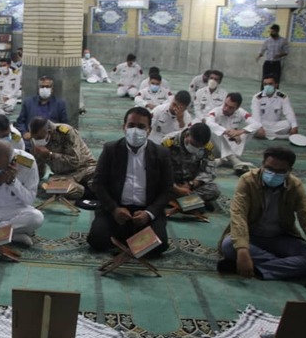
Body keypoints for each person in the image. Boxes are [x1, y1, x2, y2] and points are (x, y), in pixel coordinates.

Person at [218, 147, 306, 288]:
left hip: (280, 237)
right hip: (251, 235)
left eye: (280, 171)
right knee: (229, 245)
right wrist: (243, 250)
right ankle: (281, 265)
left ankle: (256, 268)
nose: (273, 174)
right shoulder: (248, 181)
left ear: (289, 170)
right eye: (269, 169)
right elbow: (238, 215)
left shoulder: (294, 186)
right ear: (262, 164)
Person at [87, 107, 174, 253]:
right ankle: (132, 237)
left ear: (149, 130)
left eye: (141, 127)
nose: (135, 130)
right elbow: (98, 184)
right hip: (116, 209)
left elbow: (167, 190)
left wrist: (149, 213)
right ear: (124, 127)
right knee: (96, 239)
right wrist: (114, 209)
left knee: (159, 245)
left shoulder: (161, 154)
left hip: (146, 210)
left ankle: (125, 237)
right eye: (131, 125)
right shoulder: (111, 149)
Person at [29, 116, 97, 201]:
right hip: (63, 175)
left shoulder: (66, 132)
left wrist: (50, 155)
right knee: (45, 188)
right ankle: (85, 192)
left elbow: (74, 161)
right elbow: (39, 167)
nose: (36, 141)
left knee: (100, 180)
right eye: (34, 138)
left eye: (39, 138)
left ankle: (88, 190)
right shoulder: (35, 141)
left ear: (49, 132)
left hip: (85, 168)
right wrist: (34, 181)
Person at [162, 123, 220, 209]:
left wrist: (191, 184)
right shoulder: (168, 142)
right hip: (169, 183)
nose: (196, 148)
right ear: (187, 135)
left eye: (199, 147)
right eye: (194, 145)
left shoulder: (207, 147)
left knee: (214, 190)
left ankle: (175, 202)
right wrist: (176, 188)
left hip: (189, 184)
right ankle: (190, 203)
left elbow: (209, 172)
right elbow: (158, 170)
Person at [205, 93, 261, 172]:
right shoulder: (215, 111)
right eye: (225, 104)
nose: (226, 109)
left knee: (251, 130)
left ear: (237, 108)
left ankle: (223, 160)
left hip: (232, 145)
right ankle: (233, 160)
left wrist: (240, 132)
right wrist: (226, 132)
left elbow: (257, 124)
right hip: (215, 148)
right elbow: (208, 122)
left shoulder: (241, 112)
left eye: (230, 107)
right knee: (213, 130)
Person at [251, 74, 298, 140]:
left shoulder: (283, 97)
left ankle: (268, 135)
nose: (267, 86)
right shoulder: (257, 97)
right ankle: (283, 137)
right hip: (262, 124)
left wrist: (294, 126)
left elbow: (289, 112)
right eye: (265, 84)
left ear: (276, 84)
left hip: (276, 124)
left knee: (289, 124)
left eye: (270, 84)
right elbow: (256, 116)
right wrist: (260, 128)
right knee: (252, 126)